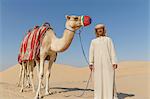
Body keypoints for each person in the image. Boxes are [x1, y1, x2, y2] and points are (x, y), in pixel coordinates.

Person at [89, 24, 118, 99]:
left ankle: (110, 96)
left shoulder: (108, 39)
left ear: (103, 30)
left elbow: (112, 51)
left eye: (101, 29)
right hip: (97, 64)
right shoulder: (93, 41)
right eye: (98, 29)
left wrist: (114, 62)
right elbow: (91, 52)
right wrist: (91, 63)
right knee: (98, 81)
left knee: (109, 79)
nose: (100, 30)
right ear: (96, 31)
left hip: (108, 63)